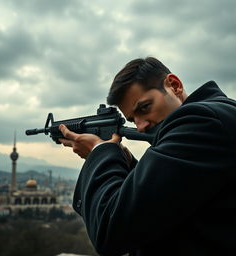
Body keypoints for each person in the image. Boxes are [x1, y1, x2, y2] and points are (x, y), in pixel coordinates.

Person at [59, 57, 236, 256]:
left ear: (174, 85)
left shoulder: (201, 122)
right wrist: (122, 159)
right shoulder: (216, 117)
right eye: (133, 119)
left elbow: (110, 230)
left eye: (144, 107)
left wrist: (99, 153)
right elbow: (170, 199)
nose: (141, 126)